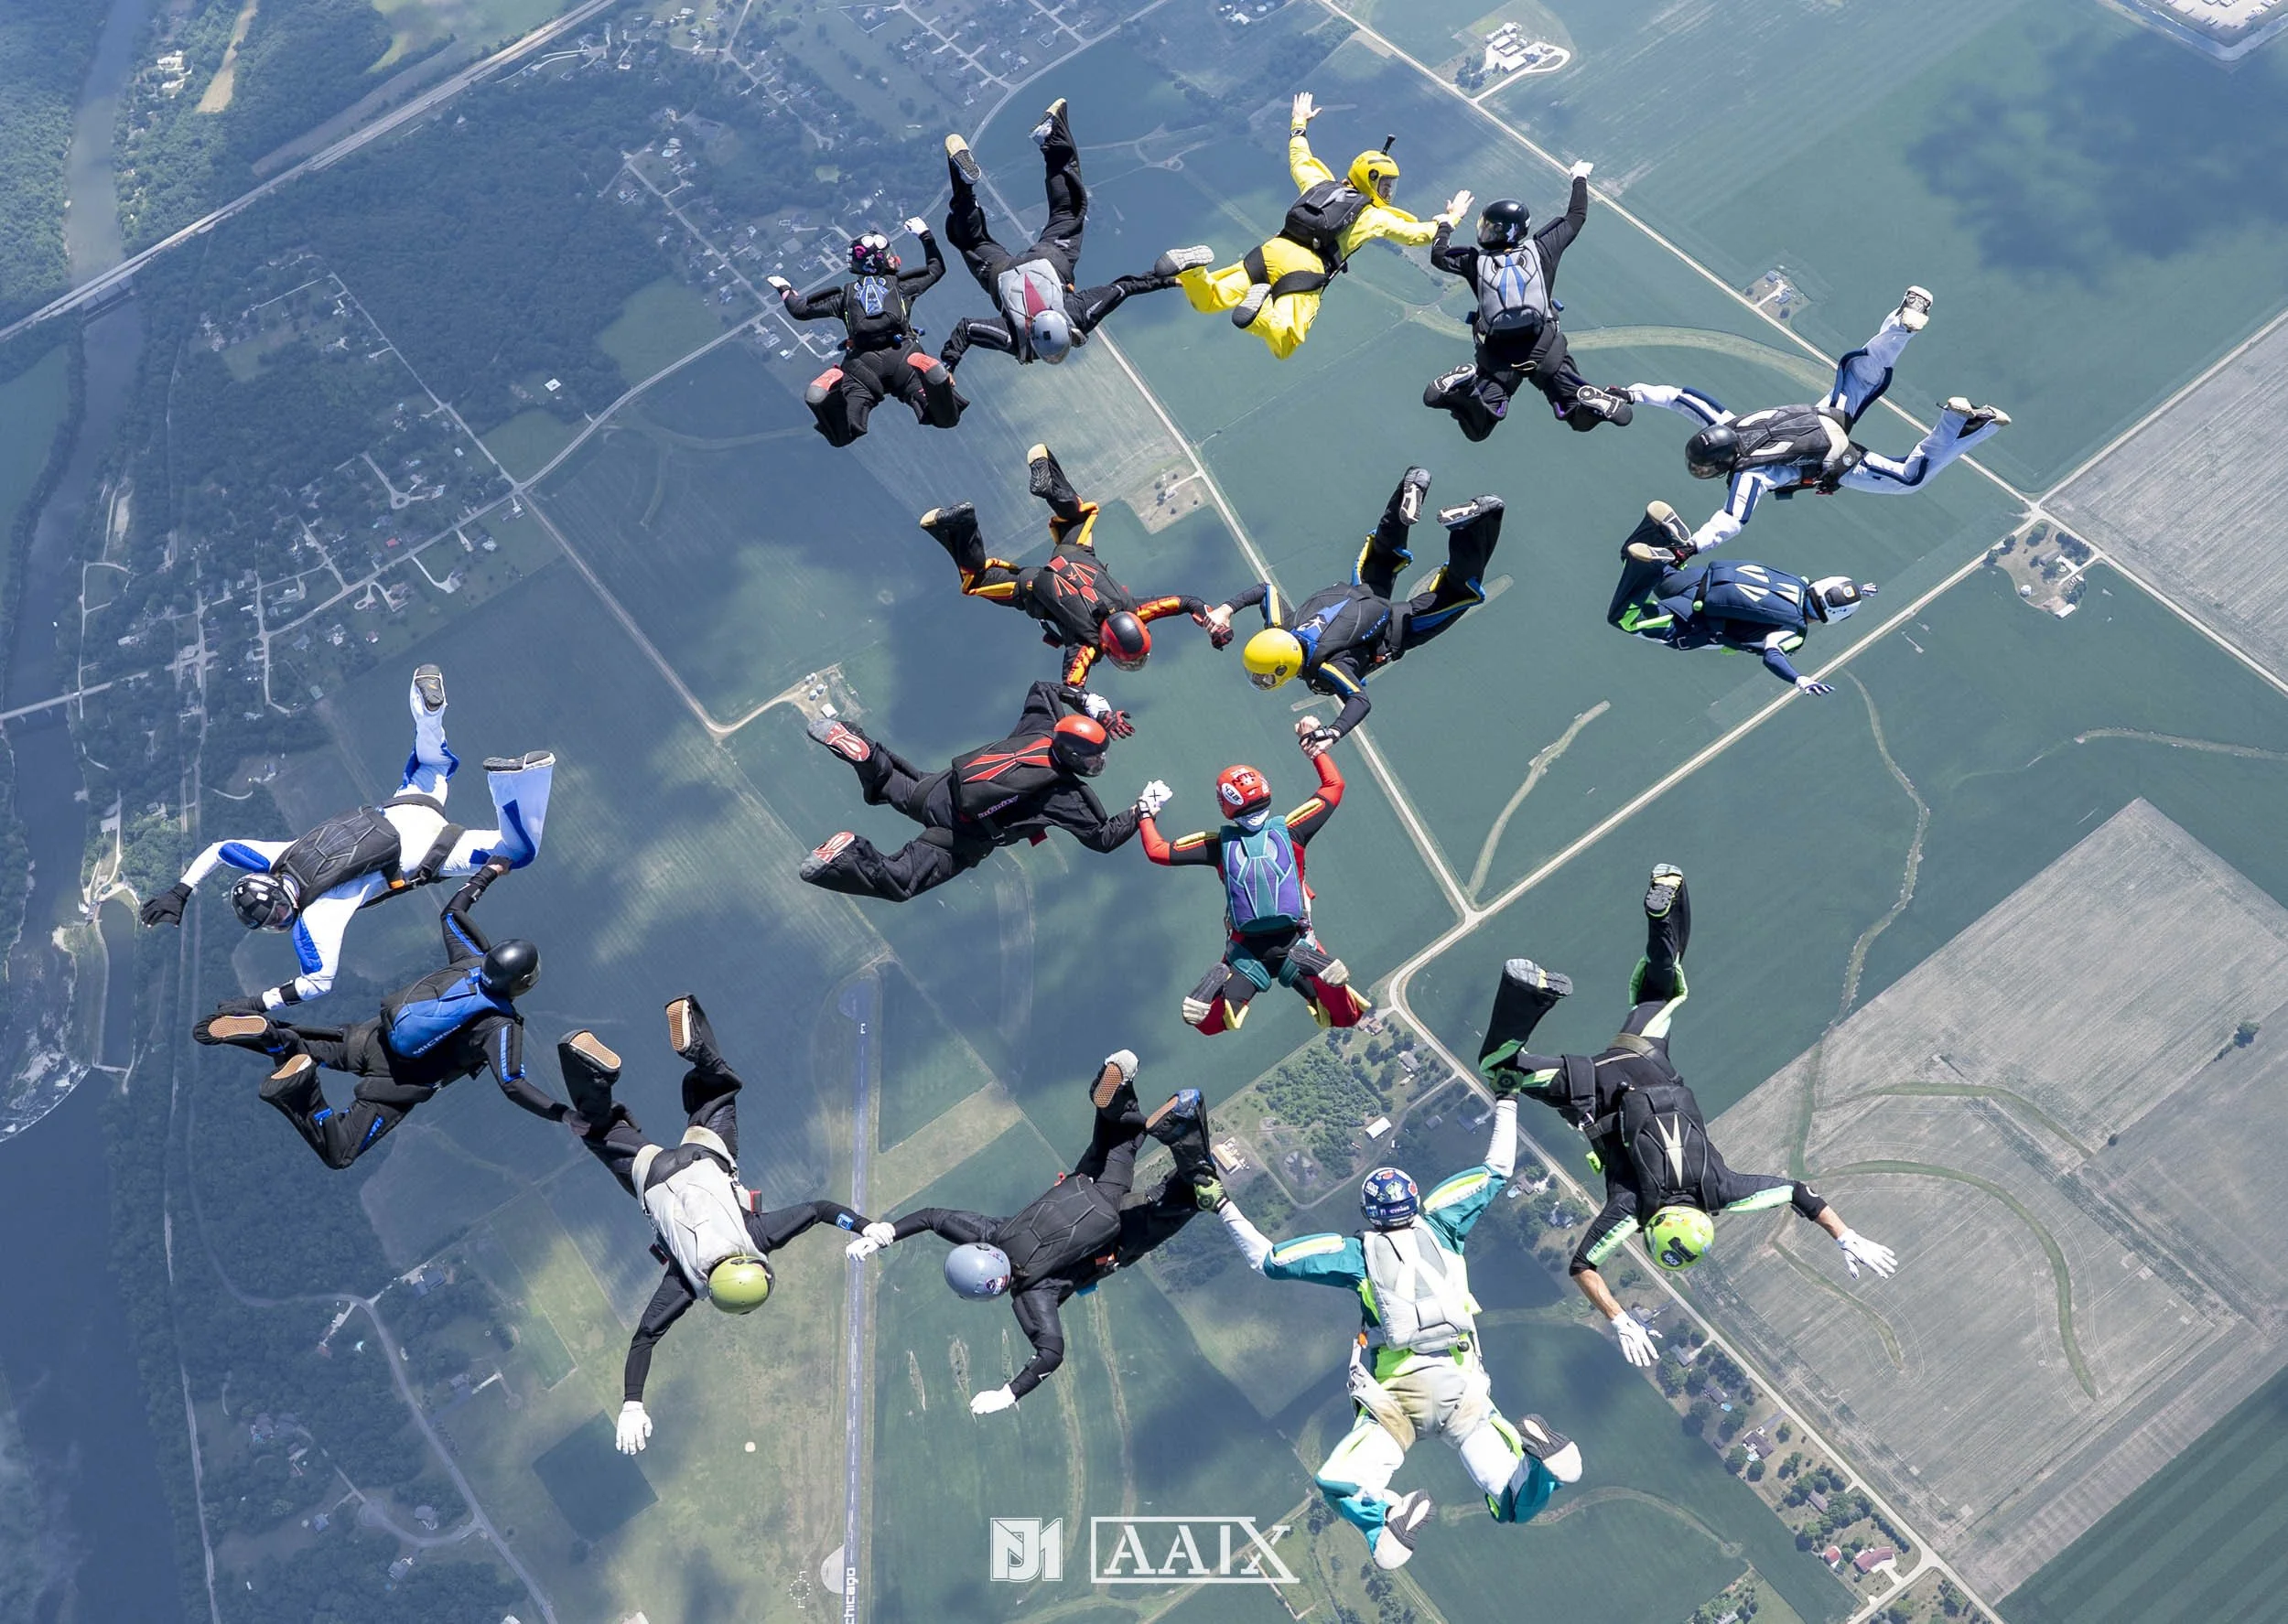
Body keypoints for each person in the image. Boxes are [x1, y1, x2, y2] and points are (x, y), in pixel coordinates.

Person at [1475, 865, 1900, 1368]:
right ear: (1653, 1233)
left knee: (1660, 991)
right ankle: (1532, 993)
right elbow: (1582, 1266)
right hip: (1594, 1088)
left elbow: (1797, 1193)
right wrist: (1617, 1317)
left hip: (1648, 1063)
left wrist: (1845, 1236)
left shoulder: (1720, 1189)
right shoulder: (1631, 1209)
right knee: (1499, 1068)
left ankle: (1668, 900)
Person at [1207, 1090, 1582, 1570]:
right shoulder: (1444, 1227)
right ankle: (1543, 1466)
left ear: (1370, 1216)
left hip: (1398, 1397)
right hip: (1462, 1385)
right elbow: (1497, 1169)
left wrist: (1220, 1204)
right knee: (1512, 1501)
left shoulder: (1357, 1255)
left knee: (1337, 1482)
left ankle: (1387, 1514)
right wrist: (1507, 1100)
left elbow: (1268, 1260)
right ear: (1416, 1201)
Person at [554, 998, 873, 1455]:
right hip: (652, 1175)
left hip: (707, 1156)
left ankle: (696, 1045)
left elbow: (821, 1209)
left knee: (718, 1091)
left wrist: (863, 1226)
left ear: (757, 1268)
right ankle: (587, 1070)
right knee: (599, 1128)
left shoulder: (757, 1237)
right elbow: (644, 1338)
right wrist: (631, 1404)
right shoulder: (685, 1282)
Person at [139, 665, 554, 1016]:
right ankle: (429, 714)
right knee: (433, 763)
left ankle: (513, 783)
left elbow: (317, 983)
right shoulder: (278, 857)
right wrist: (180, 891)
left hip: (427, 850)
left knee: (518, 852)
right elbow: (220, 850)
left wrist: (256, 1004)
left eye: (279, 917)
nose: (285, 918)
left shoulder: (317, 916)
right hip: (400, 811)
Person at [847, 1053, 1217, 1413]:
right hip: (1087, 1183)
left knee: (1186, 1196)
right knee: (1116, 1137)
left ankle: (1183, 1134)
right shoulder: (993, 1233)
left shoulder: (1031, 1295)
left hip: (1119, 1232)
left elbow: (1051, 1354)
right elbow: (932, 1217)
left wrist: (1009, 1393)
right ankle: (1117, 1097)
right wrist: (886, 1233)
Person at [191, 861, 561, 1167]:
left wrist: (490, 871)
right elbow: (514, 1084)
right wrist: (565, 1115)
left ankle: (268, 1035)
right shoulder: (499, 1024)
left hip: (371, 1037)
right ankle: (301, 1091)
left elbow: (453, 912)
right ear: (522, 983)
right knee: (339, 1152)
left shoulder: (470, 959)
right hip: (396, 1084)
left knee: (299, 1048)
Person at [1626, 286, 2010, 553]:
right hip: (1823, 416)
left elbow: (1731, 520)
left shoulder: (1750, 475)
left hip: (1834, 455)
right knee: (1862, 373)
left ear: (1724, 460)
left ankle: (1964, 424)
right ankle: (1902, 321)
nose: (1702, 470)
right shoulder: (1728, 422)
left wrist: (1692, 546)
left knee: (1908, 479)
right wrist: (1627, 393)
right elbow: (1681, 397)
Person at [1205, 468, 1502, 741]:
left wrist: (1331, 734)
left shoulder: (1328, 667)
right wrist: (1226, 609)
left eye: (1266, 675)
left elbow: (1360, 701)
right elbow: (1265, 590)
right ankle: (1410, 485)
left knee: (1459, 591)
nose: (1262, 679)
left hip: (1397, 629)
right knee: (1384, 551)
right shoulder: (1283, 628)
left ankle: (1478, 522)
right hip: (1360, 590)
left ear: (1285, 667)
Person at [1175, 92, 1472, 360]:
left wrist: (1299, 122)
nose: (1388, 193)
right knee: (1285, 341)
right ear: (1370, 182)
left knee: (1210, 299)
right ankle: (1261, 312)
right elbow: (1418, 235)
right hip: (1305, 268)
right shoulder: (1373, 216)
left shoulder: (1320, 183)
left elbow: (1300, 159)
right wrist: (1451, 218)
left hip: (1271, 249)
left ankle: (1193, 272)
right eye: (1385, 186)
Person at [798, 679, 1143, 902]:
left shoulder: (1043, 726)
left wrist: (1087, 702)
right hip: (959, 835)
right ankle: (848, 854)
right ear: (1073, 758)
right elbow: (1104, 838)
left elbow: (1044, 689)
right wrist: (1144, 810)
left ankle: (867, 751)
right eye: (1094, 758)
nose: (1097, 764)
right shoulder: (1066, 794)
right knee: (902, 882)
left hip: (939, 789)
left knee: (887, 782)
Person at [936, 100, 1210, 372]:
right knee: (972, 241)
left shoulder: (1080, 315)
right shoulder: (1013, 339)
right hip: (1001, 273)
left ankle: (1051, 133)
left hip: (1051, 259)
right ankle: (964, 185)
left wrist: (1169, 280)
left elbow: (1124, 287)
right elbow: (966, 328)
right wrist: (948, 364)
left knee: (1068, 210)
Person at [1139, 720, 1368, 1034]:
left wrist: (1145, 814)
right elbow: (1334, 786)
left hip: (1246, 950)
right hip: (1297, 942)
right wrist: (1311, 743)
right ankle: (1318, 965)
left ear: (1225, 803)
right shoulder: (1293, 830)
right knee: (1347, 1016)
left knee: (1210, 1024)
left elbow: (1158, 851)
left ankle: (1217, 989)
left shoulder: (1219, 845)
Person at [920, 443, 1215, 683]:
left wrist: (1209, 619)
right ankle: (963, 525)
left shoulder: (1138, 609)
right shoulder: (1086, 646)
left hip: (1074, 556)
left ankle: (1050, 481)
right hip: (1033, 586)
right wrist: (1102, 713)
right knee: (979, 580)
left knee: (1078, 518)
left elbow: (1184, 602)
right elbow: (1071, 685)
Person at [1422, 173, 1635, 439]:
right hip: (1545, 348)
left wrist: (1447, 221)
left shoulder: (1474, 261)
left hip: (1499, 355)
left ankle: (1465, 393)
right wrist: (1579, 177)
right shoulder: (1542, 248)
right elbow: (1576, 216)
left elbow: (1438, 255)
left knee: (1479, 428)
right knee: (1576, 416)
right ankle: (1590, 403)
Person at [1605, 501, 1872, 696]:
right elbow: (1773, 656)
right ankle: (1657, 559)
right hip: (1692, 621)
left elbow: (1829, 593)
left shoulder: (1798, 583)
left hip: (1697, 580)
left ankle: (1664, 537)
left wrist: (1860, 588)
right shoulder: (1794, 630)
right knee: (1624, 619)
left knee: (1632, 558)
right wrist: (1799, 679)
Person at [769, 222, 965, 446]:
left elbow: (799, 310)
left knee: (843, 434)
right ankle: (934, 377)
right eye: (889, 255)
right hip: (905, 358)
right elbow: (936, 269)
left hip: (862, 366)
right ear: (878, 260)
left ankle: (827, 395)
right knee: (946, 417)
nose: (894, 259)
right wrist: (926, 236)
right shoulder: (901, 286)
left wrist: (784, 289)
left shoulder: (843, 296)